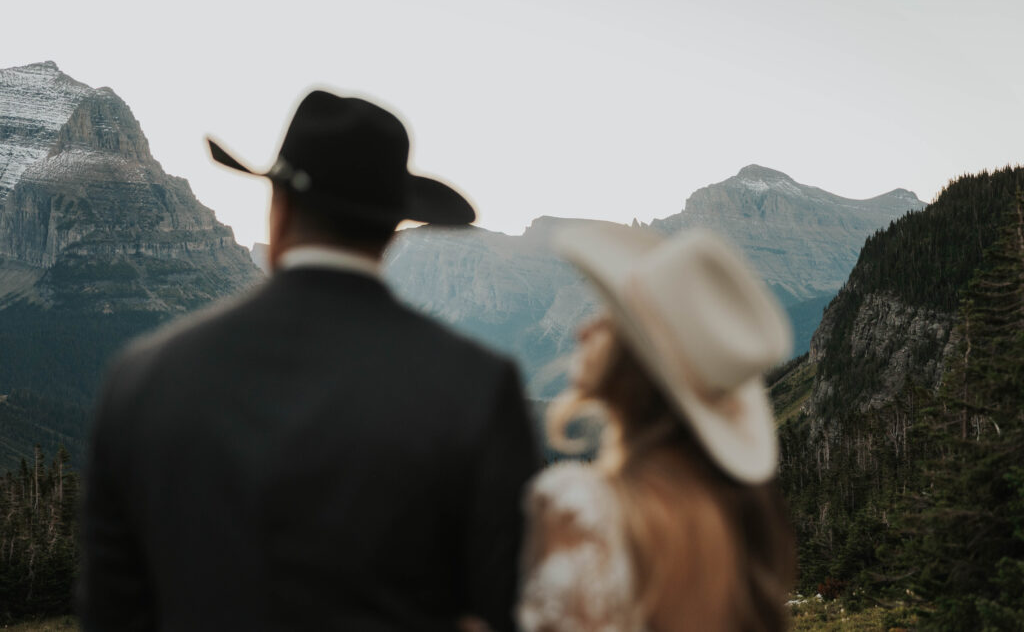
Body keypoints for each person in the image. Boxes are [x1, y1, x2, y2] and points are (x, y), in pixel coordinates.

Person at [79, 90, 539, 631]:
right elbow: (510, 608)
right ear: (393, 228)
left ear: (280, 209)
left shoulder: (142, 376)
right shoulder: (479, 388)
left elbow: (110, 612)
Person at [517, 223, 797, 632]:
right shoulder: (729, 515)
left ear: (637, 359)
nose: (584, 329)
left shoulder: (580, 507)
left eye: (610, 318)